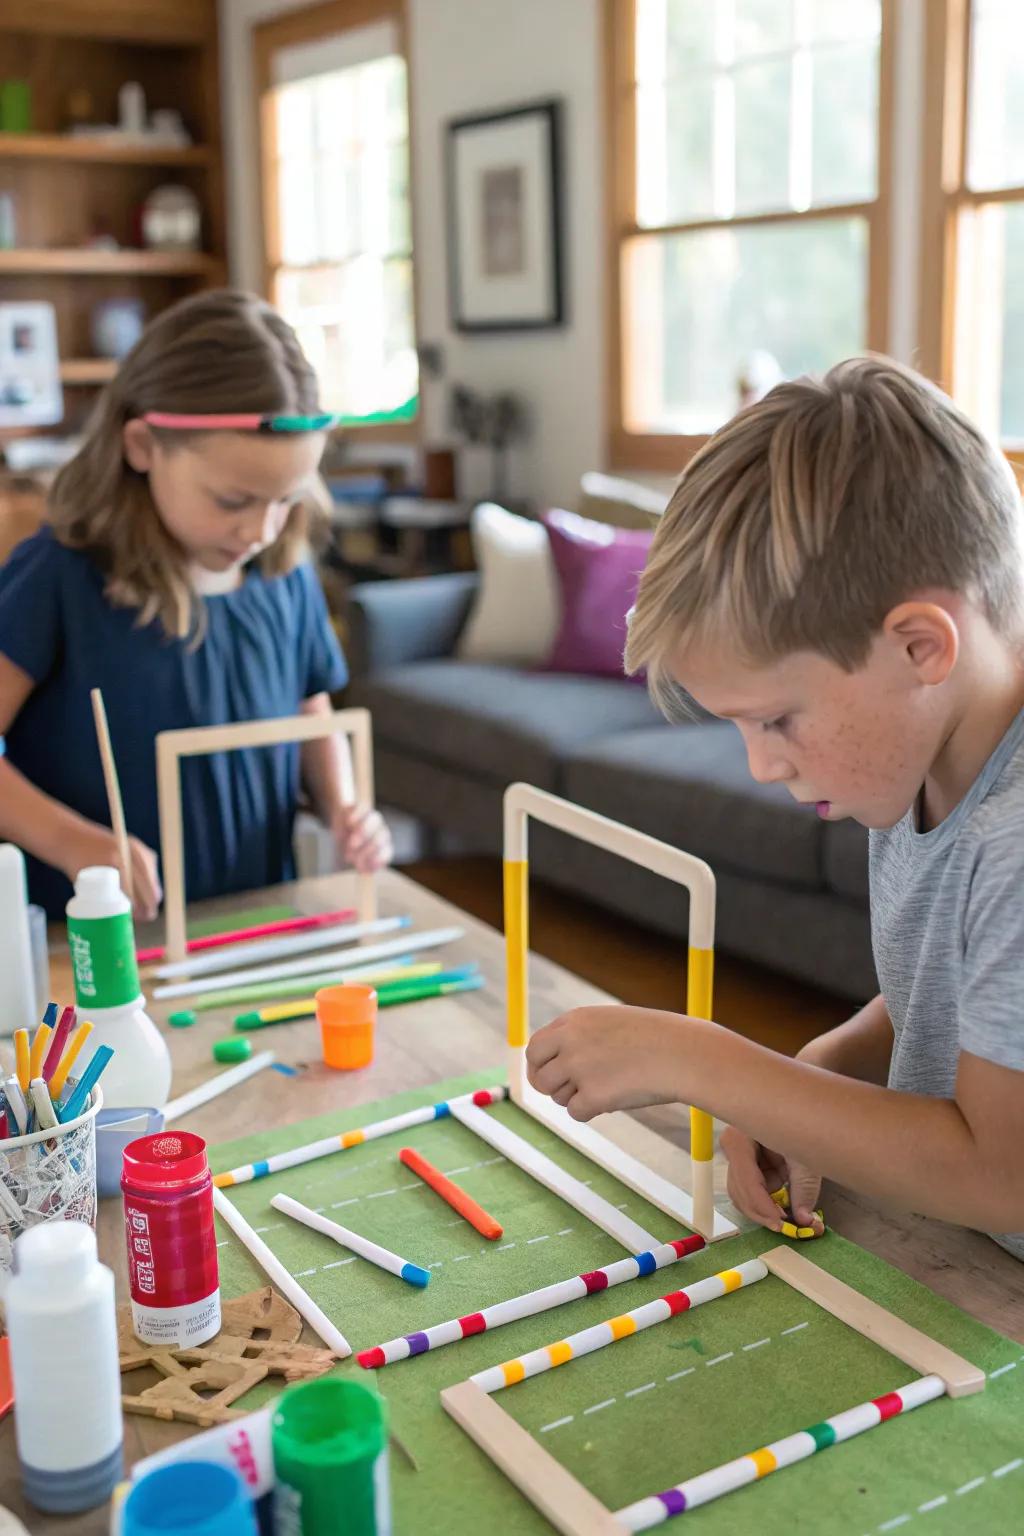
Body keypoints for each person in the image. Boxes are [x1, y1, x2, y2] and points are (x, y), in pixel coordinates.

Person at [526, 356, 1024, 1260]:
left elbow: (1003, 1175)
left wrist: (707, 1064)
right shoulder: (931, 748)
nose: (761, 765)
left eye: (778, 719)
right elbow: (953, 991)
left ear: (920, 647)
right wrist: (818, 1072)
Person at [0, 290, 391, 921]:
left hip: (256, 920)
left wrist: (343, 807)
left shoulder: (283, 572)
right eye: (234, 501)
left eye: (285, 499)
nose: (260, 530)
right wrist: (76, 845)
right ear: (142, 447)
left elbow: (310, 711)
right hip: (94, 943)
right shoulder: (58, 575)